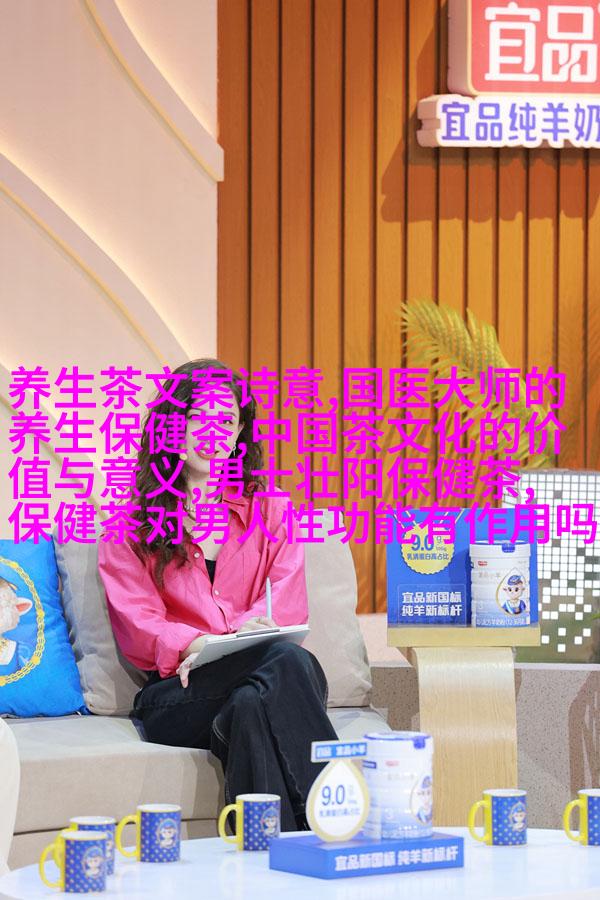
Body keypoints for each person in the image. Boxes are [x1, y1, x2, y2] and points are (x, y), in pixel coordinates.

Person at [98, 359, 337, 831]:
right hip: (180, 693)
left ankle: (264, 853)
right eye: (199, 417)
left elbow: (286, 607)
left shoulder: (273, 510)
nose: (213, 432)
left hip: (267, 674)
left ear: (239, 433)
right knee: (288, 664)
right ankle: (340, 820)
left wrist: (238, 641)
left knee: (252, 702)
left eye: (226, 420)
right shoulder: (129, 520)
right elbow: (138, 624)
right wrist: (200, 644)